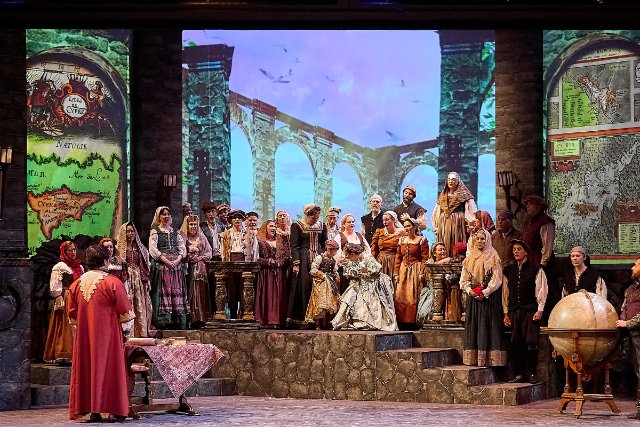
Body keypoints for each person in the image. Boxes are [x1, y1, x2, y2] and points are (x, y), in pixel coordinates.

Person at [67, 244, 134, 422]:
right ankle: (115, 409)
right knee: (110, 367)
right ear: (105, 261)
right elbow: (126, 312)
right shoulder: (112, 282)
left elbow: (72, 314)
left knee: (88, 367)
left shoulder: (76, 284)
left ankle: (92, 409)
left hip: (85, 337)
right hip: (108, 337)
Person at [502, 239, 548, 384]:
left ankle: (532, 373)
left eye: (519, 249)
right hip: (514, 311)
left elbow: (541, 290)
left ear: (526, 252)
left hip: (530, 310)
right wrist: (506, 313)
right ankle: (518, 373)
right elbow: (505, 293)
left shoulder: (536, 269)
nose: (516, 252)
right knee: (516, 343)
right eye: (514, 249)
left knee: (531, 342)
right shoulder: (509, 270)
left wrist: (540, 310)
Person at [460, 229, 506, 367]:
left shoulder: (493, 256)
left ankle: (490, 360)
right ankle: (473, 359)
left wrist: (485, 292)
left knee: (488, 326)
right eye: (478, 238)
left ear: (487, 240)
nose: (480, 241)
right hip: (474, 296)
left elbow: (497, 279)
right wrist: (470, 291)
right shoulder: (470, 258)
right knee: (474, 326)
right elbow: (464, 279)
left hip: (488, 297)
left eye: (482, 239)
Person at [331, 243, 398, 331]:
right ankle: (353, 321)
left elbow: (375, 271)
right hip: (360, 283)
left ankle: (368, 322)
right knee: (350, 297)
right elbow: (353, 273)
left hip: (372, 283)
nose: (347, 257)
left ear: (353, 254)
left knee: (368, 300)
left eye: (347, 255)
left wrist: (359, 271)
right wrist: (350, 267)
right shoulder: (356, 259)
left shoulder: (367, 258)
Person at [288, 204, 328, 328]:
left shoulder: (322, 226)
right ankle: (304, 320)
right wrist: (296, 263)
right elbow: (294, 246)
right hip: (304, 259)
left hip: (318, 258)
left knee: (318, 287)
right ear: (307, 215)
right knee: (304, 286)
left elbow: (324, 244)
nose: (315, 220)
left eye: (317, 217)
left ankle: (318, 321)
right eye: (313, 217)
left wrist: (325, 259)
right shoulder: (297, 225)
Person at [44, 241, 84, 364]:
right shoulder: (60, 267)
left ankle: (78, 353)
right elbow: (55, 284)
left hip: (78, 297)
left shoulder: (79, 266)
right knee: (65, 325)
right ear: (64, 252)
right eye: (70, 250)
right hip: (66, 297)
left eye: (74, 250)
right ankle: (64, 353)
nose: (73, 252)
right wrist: (58, 297)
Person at [149, 206, 188, 329]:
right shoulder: (155, 231)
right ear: (159, 216)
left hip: (176, 268)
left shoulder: (175, 231)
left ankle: (177, 319)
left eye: (168, 214)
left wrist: (177, 260)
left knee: (176, 291)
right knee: (163, 292)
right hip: (163, 267)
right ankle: (163, 319)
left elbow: (182, 248)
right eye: (163, 214)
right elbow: (153, 249)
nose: (166, 216)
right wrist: (166, 261)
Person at [116, 221, 154, 337]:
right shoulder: (118, 249)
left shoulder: (141, 248)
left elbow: (146, 264)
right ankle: (128, 333)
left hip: (138, 277)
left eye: (132, 231)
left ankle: (141, 332)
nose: (130, 234)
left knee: (139, 303)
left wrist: (146, 280)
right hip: (125, 277)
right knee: (128, 303)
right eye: (128, 231)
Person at [220, 210, 258, 319]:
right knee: (232, 289)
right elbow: (223, 251)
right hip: (230, 262)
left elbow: (255, 249)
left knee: (244, 288)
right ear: (231, 220)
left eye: (239, 218)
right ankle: (232, 315)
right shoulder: (226, 234)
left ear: (243, 220)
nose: (237, 220)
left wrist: (252, 264)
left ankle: (244, 314)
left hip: (245, 262)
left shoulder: (249, 233)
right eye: (234, 218)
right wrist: (225, 263)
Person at [615, 257, 640, 420]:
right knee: (638, 371)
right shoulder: (631, 289)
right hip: (633, 334)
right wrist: (622, 319)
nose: (632, 268)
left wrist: (628, 323)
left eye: (636, 265)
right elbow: (624, 307)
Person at [393, 218, 429, 328]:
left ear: (414, 227)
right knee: (401, 295)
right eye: (405, 226)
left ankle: (413, 321)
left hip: (415, 269)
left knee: (412, 295)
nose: (406, 228)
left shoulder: (421, 240)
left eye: (408, 226)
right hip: (403, 269)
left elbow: (425, 258)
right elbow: (398, 257)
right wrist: (396, 273)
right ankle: (401, 321)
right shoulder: (402, 240)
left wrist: (422, 272)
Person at [432, 171, 477, 257]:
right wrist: (436, 225)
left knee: (456, 240)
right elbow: (437, 210)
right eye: (449, 179)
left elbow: (470, 209)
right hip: (444, 222)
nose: (450, 181)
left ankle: (457, 258)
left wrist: (470, 223)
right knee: (445, 240)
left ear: (457, 181)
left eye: (453, 179)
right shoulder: (443, 194)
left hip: (458, 222)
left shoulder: (464, 194)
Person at [180, 214, 212, 328]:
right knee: (189, 292)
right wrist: (187, 257)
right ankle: (189, 319)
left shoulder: (202, 237)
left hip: (200, 270)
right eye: (191, 224)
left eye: (195, 224)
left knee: (201, 292)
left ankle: (201, 318)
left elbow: (209, 252)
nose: (193, 226)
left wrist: (199, 258)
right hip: (187, 269)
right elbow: (179, 253)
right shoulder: (182, 238)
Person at [255, 220, 286, 328]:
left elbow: (285, 255)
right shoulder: (259, 241)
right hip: (265, 272)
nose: (273, 228)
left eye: (274, 226)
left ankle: (275, 320)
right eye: (271, 226)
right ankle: (264, 320)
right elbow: (255, 257)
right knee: (266, 294)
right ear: (265, 228)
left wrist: (280, 262)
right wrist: (267, 262)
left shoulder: (280, 240)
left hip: (277, 272)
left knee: (276, 296)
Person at [305, 239, 341, 329]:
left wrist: (337, 277)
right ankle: (318, 324)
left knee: (331, 302)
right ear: (329, 249)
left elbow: (334, 271)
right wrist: (321, 274)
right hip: (321, 283)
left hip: (330, 284)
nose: (335, 253)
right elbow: (313, 269)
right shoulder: (320, 258)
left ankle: (326, 323)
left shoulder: (333, 260)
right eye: (334, 251)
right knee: (321, 302)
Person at [100, 237, 131, 331]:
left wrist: (126, 293)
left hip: (118, 291)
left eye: (111, 247)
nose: (109, 249)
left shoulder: (119, 261)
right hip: (105, 292)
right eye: (106, 247)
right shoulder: (99, 262)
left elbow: (124, 280)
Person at [521, 194, 555, 268]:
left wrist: (542, 264)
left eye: (530, 204)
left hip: (540, 263)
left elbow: (547, 246)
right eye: (527, 204)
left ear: (538, 206)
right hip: (529, 262)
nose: (527, 206)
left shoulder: (546, 222)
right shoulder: (528, 222)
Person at [371, 210, 405, 279]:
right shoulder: (379, 232)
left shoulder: (401, 232)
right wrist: (373, 262)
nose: (384, 222)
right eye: (383, 220)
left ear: (394, 220)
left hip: (395, 261)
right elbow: (374, 248)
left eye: (387, 220)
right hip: (381, 261)